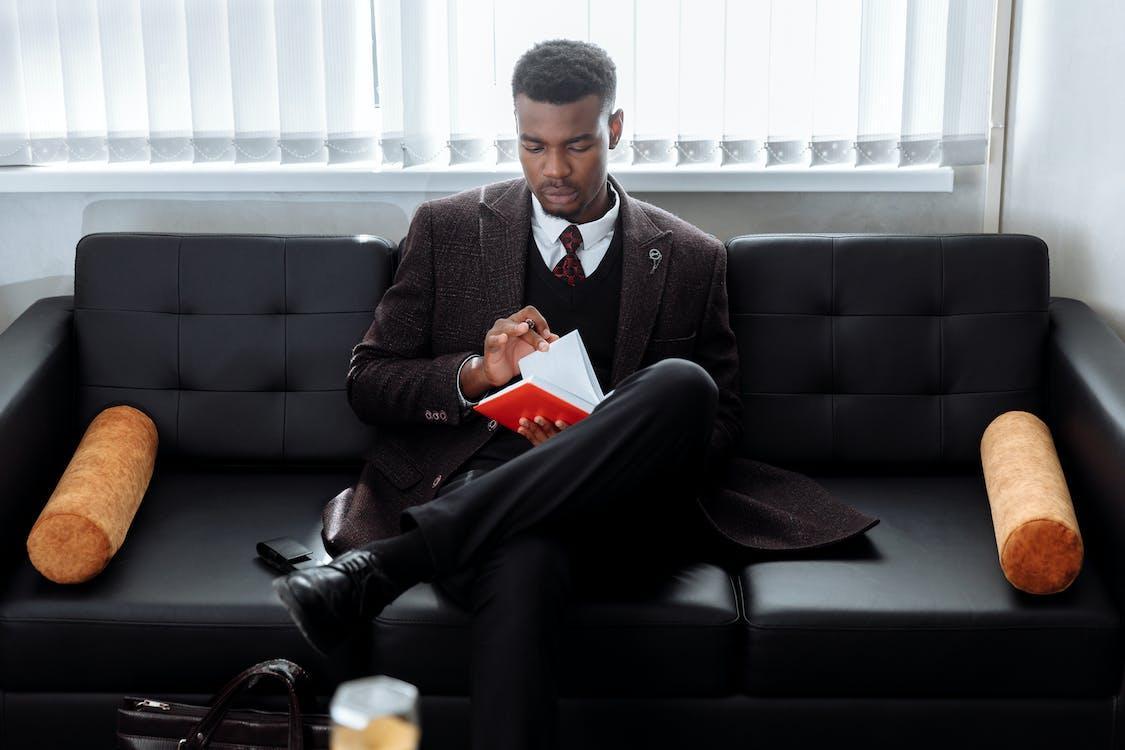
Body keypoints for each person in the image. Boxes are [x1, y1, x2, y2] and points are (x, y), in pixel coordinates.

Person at [274, 38, 877, 750]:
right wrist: (478, 373)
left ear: (614, 130)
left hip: (616, 508)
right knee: (524, 558)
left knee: (684, 384)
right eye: (533, 145)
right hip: (478, 484)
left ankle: (386, 566)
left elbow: (719, 423)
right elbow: (368, 382)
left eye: (578, 146)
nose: (553, 170)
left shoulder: (689, 256)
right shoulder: (444, 229)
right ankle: (410, 555)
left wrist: (598, 436)